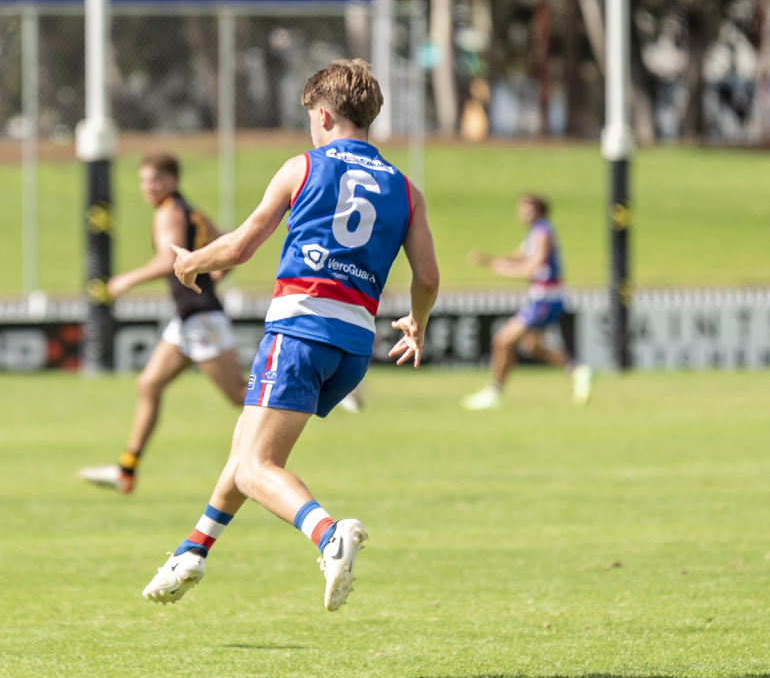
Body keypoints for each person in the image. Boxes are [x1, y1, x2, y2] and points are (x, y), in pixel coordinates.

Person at [140, 59, 440, 611]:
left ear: (323, 115)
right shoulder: (405, 188)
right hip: (352, 348)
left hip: (300, 329)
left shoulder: (302, 167)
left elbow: (239, 247)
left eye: (309, 118)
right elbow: (427, 277)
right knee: (246, 447)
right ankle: (193, 550)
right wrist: (417, 321)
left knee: (257, 467)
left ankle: (329, 535)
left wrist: (190, 264)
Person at [77, 153, 246, 494]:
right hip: (188, 319)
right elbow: (228, 244)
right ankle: (126, 470)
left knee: (242, 396)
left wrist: (125, 280)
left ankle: (327, 388)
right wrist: (214, 275)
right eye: (143, 180)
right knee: (149, 384)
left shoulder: (169, 211)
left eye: (154, 179)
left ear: (173, 180)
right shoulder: (189, 210)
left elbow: (168, 261)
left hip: (199, 317)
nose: (148, 187)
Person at [462, 195, 592, 409]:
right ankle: (577, 370)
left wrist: (503, 270)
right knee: (531, 346)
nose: (522, 214)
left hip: (545, 300)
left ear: (539, 211)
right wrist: (489, 260)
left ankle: (494, 392)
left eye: (527, 210)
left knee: (502, 341)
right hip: (545, 299)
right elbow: (518, 257)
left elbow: (533, 267)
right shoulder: (535, 232)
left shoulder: (542, 233)